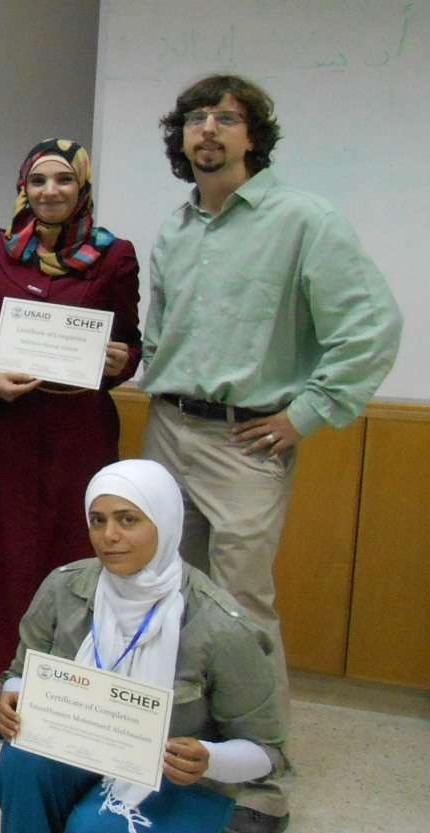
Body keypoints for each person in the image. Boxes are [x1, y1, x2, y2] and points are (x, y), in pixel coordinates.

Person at [139, 74, 400, 832]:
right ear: (181, 137)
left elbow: (371, 327)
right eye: (196, 118)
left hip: (246, 440)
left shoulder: (303, 220)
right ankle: (179, 747)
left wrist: (308, 412)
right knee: (163, 594)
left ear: (254, 137)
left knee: (241, 605)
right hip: (168, 428)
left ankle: (263, 773)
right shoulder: (177, 227)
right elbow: (164, 329)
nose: (209, 130)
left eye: (227, 118)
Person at [0, 139, 142, 729]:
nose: (51, 192)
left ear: (83, 189)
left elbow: (130, 348)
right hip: (3, 433)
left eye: (64, 181)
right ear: (23, 188)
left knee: (71, 563)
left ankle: (60, 709)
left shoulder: (115, 257)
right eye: (39, 181)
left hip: (78, 436)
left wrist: (117, 361)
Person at [0, 460, 287, 833]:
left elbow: (268, 752)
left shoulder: (218, 626)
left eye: (127, 520)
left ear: (164, 523)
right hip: (82, 746)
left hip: (176, 780)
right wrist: (14, 695)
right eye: (97, 520)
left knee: (95, 828)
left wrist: (208, 758)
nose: (108, 535)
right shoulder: (64, 588)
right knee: (21, 765)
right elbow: (20, 672)